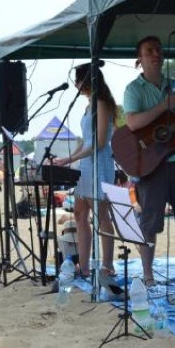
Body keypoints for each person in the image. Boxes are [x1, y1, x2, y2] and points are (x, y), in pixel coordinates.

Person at [123, 35, 175, 287]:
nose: (156, 54)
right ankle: (148, 275)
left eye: (158, 50)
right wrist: (164, 107)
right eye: (150, 51)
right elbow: (133, 123)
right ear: (140, 59)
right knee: (150, 224)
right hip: (151, 165)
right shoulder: (133, 89)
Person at [53, 63, 117, 280]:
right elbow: (85, 140)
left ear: (86, 81)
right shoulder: (88, 105)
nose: (76, 86)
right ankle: (84, 264)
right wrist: (68, 160)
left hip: (100, 162)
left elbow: (99, 142)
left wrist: (71, 158)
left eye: (78, 81)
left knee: (101, 215)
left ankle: (107, 265)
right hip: (86, 164)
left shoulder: (102, 103)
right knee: (80, 213)